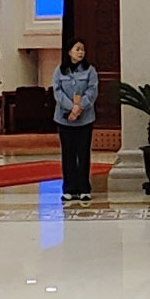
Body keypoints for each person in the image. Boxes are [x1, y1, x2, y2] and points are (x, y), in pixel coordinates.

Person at [52, 40, 99, 201]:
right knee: (68, 154)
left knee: (83, 153)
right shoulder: (59, 70)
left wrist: (79, 108)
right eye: (77, 49)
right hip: (64, 119)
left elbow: (92, 91)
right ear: (69, 52)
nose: (80, 52)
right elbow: (57, 92)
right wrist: (71, 108)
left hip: (84, 119)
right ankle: (69, 188)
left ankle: (84, 188)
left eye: (82, 50)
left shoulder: (90, 71)